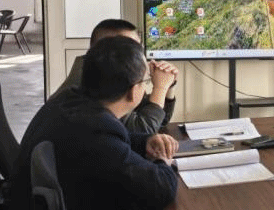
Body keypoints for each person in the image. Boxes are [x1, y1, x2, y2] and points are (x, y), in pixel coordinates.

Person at [2, 35, 187, 210]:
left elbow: (117, 144)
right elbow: (160, 187)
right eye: (145, 83)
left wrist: (145, 142)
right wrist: (164, 160)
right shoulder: (95, 130)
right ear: (134, 92)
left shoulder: (70, 101)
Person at [50, 18, 178, 135]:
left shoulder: (110, 72)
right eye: (130, 48)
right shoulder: (90, 86)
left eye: (138, 47)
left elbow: (160, 120)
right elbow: (143, 128)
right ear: (107, 49)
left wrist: (169, 85)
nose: (138, 54)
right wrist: (160, 87)